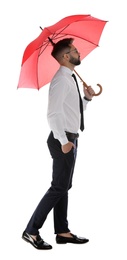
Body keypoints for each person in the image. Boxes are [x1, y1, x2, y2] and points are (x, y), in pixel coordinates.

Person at [22, 38, 95, 250]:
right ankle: (31, 231)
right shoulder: (61, 80)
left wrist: (87, 99)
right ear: (65, 56)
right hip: (62, 139)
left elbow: (71, 111)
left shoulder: (69, 77)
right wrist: (63, 141)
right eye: (75, 50)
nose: (78, 53)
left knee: (64, 186)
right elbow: (53, 114)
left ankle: (62, 231)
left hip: (71, 138)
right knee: (59, 187)